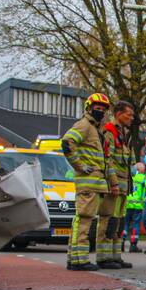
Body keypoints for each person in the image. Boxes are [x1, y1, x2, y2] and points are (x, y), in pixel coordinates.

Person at [61, 93, 113, 270]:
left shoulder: (96, 130)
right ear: (89, 108)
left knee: (83, 220)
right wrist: (80, 166)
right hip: (88, 183)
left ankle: (75, 258)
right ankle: (80, 260)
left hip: (94, 183)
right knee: (83, 220)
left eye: (103, 109)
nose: (100, 111)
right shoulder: (84, 126)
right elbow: (67, 143)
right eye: (97, 108)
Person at [103, 101, 135, 268]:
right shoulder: (110, 131)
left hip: (124, 185)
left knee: (119, 222)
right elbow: (108, 160)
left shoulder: (125, 134)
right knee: (110, 221)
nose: (131, 118)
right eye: (128, 114)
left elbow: (129, 160)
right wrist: (113, 183)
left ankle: (116, 256)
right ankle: (105, 257)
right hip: (115, 186)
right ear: (118, 114)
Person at [125, 161, 146, 252]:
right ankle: (133, 245)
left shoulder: (130, 177)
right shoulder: (144, 178)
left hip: (128, 204)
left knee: (125, 224)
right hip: (138, 206)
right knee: (135, 224)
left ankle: (121, 243)